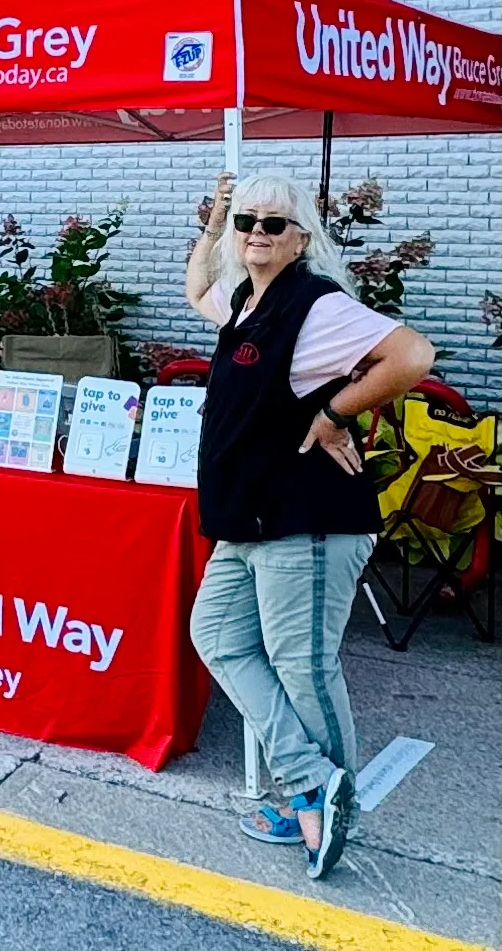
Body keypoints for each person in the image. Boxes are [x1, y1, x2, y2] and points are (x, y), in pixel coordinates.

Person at [184, 170, 433, 880]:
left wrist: (332, 413)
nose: (255, 233)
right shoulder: (243, 302)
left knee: (304, 668)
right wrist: (208, 227)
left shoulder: (314, 306)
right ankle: (307, 777)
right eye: (244, 222)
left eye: (272, 224)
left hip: (307, 520)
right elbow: (195, 291)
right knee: (219, 637)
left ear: (300, 239)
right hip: (248, 519)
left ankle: (328, 811)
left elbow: (411, 355)